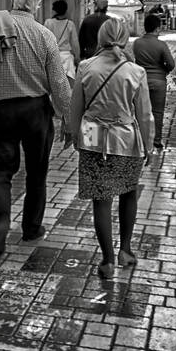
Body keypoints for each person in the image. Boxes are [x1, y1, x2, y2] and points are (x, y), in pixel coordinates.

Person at [0, 0, 72, 257]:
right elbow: (59, 83)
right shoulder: (44, 34)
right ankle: (31, 227)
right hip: (36, 110)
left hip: (2, 110)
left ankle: (1, 223)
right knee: (37, 171)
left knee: (0, 169)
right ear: (35, 2)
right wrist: (68, 119)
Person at [68, 16, 154, 281]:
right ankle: (125, 250)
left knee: (101, 199)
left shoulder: (85, 67)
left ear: (100, 38)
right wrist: (148, 145)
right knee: (128, 193)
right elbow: (145, 115)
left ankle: (106, 260)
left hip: (93, 135)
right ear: (125, 38)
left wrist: (76, 136)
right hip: (126, 137)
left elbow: (76, 108)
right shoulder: (135, 71)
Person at [131, 12, 176, 150]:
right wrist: (163, 69)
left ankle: (140, 137)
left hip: (140, 81)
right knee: (157, 112)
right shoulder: (161, 45)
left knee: (140, 110)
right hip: (158, 82)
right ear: (157, 28)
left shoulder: (137, 43)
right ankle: (156, 140)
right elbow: (171, 64)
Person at [44, 0, 80, 81]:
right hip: (67, 58)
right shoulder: (70, 24)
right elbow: (75, 43)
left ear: (55, 10)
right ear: (65, 10)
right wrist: (77, 57)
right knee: (68, 83)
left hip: (52, 56)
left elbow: (44, 41)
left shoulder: (48, 23)